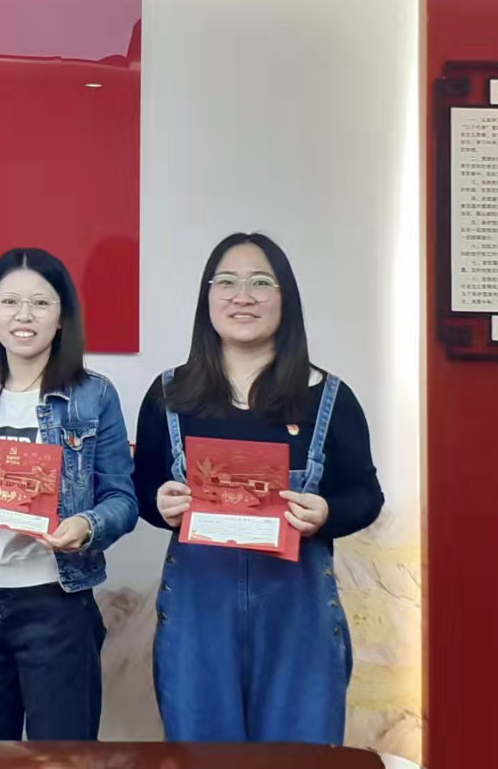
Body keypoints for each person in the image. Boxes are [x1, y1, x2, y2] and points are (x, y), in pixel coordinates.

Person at [135, 232, 383, 745]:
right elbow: (141, 489)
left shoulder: (329, 398)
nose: (242, 296)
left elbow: (366, 495)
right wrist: (159, 504)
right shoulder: (169, 395)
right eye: (226, 282)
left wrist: (326, 514)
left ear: (284, 297)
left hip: (299, 625)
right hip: (198, 623)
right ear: (207, 298)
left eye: (260, 283)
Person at [0, 248, 137, 740]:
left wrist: (86, 526)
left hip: (55, 599)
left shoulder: (93, 395)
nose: (24, 315)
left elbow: (122, 499)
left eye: (40, 303)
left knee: (61, 757)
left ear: (62, 317)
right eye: (10, 302)